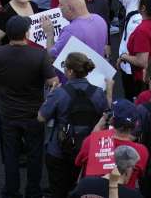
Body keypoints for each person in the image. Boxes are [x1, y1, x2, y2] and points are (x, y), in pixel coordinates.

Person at [0, 15, 60, 198]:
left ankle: (11, 191)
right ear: (27, 33)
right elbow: (53, 81)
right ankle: (33, 191)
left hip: (8, 113)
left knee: (10, 155)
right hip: (34, 114)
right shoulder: (39, 54)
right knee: (35, 154)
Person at [40, 51, 109, 198]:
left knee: (58, 191)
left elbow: (41, 117)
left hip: (59, 150)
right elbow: (107, 115)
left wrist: (50, 95)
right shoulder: (97, 92)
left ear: (70, 71)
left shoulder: (59, 93)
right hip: (87, 150)